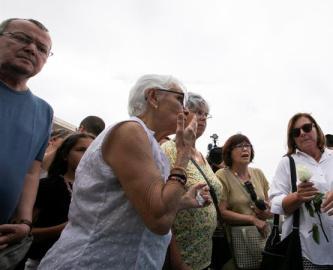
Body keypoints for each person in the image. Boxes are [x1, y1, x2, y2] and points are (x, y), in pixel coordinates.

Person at [38, 74, 212, 269]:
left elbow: (132, 210)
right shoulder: (130, 131)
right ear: (153, 97)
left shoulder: (150, 143)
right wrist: (183, 153)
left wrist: (183, 202)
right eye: (179, 99)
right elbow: (159, 220)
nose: (185, 109)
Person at [269, 113, 333, 269]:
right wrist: (297, 197)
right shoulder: (287, 162)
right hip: (308, 251)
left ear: (316, 129)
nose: (302, 133)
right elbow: (275, 202)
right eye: (296, 132)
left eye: (306, 127)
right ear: (292, 139)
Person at [0, 18, 54, 252]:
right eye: (22, 38)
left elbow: (32, 171)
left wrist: (24, 221)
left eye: (42, 49)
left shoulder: (43, 111)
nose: (32, 49)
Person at [161, 92, 223, 270]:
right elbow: (163, 207)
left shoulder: (202, 156)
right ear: (183, 113)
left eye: (206, 114)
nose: (202, 118)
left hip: (204, 254)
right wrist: (178, 262)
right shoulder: (169, 150)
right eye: (198, 112)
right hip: (181, 256)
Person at [23, 133, 95, 269]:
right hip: (40, 261)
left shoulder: (97, 192)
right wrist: (62, 228)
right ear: (65, 155)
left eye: (91, 150)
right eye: (81, 150)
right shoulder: (47, 186)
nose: (87, 155)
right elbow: (24, 231)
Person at [215, 134, 273, 269]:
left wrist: (267, 212)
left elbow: (269, 206)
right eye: (239, 146)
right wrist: (252, 220)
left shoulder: (258, 173)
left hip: (262, 238)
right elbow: (221, 213)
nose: (245, 149)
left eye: (248, 146)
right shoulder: (222, 175)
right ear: (229, 152)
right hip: (238, 240)